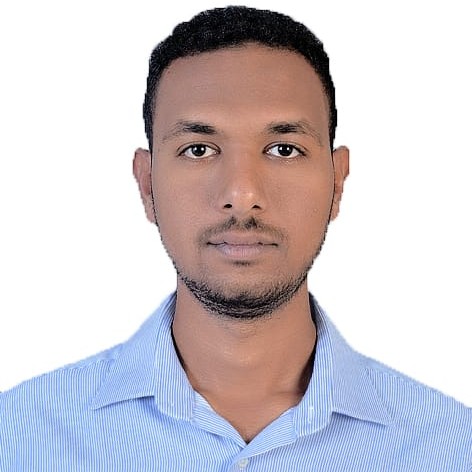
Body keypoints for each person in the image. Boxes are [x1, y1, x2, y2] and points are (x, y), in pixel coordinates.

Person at [0, 5, 470, 471]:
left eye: (283, 149)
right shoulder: (18, 436)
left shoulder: (452, 448)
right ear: (146, 185)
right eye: (198, 149)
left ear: (337, 182)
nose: (242, 196)